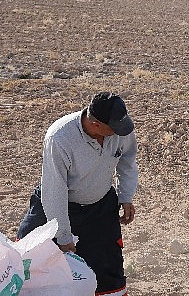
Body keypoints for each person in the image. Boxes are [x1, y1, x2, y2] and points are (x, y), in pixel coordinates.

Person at [17, 92, 138, 296]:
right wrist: (63, 237)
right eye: (114, 129)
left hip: (99, 204)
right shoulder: (60, 138)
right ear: (96, 124)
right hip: (57, 203)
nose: (120, 133)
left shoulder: (120, 129)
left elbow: (128, 161)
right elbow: (54, 191)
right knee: (31, 259)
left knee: (107, 268)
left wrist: (126, 196)